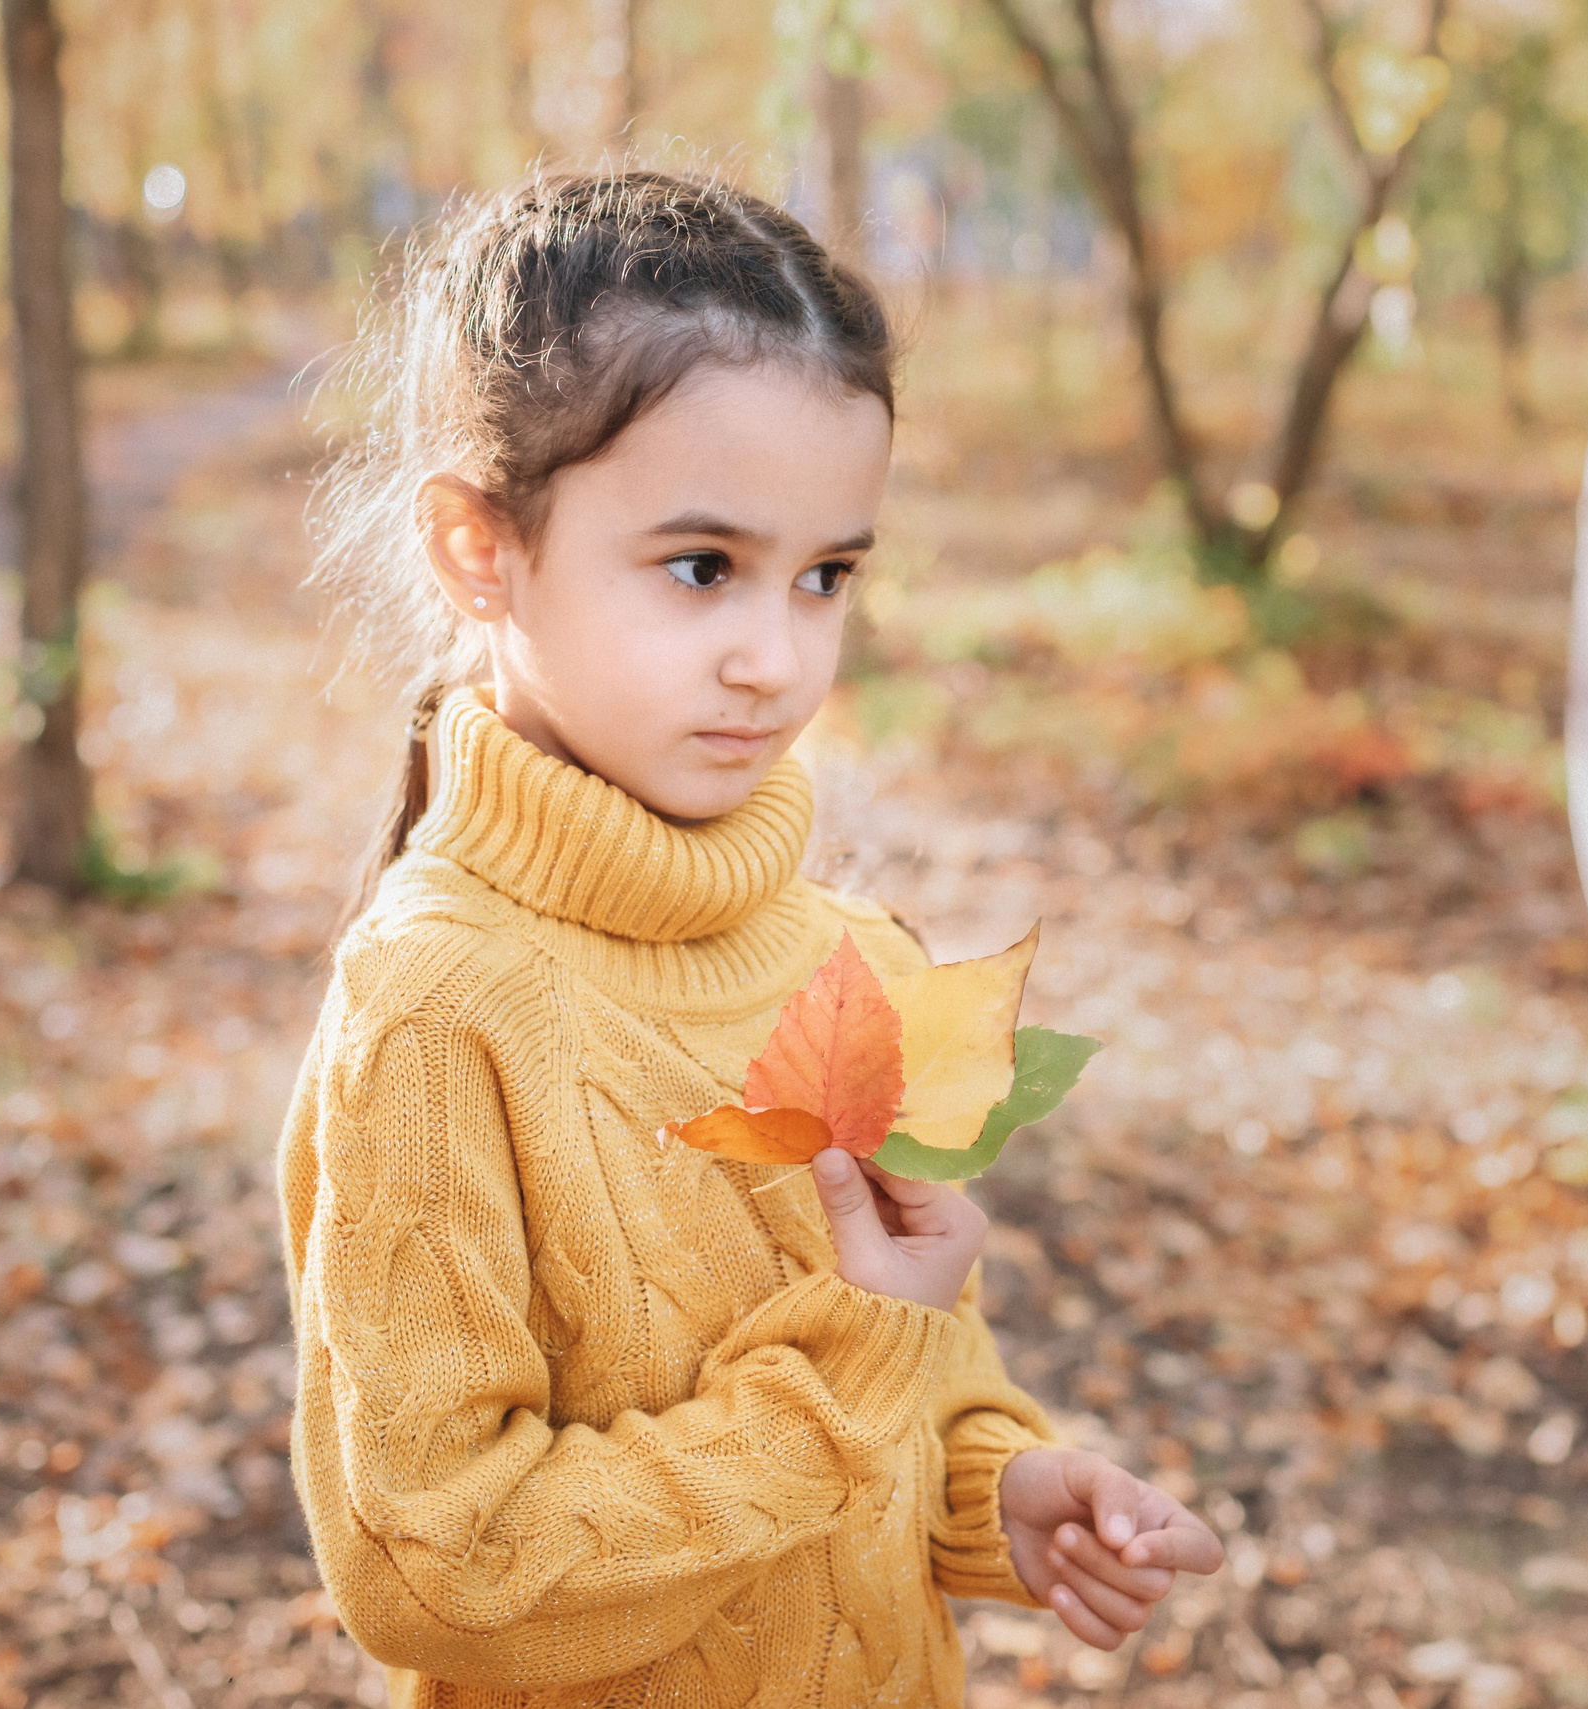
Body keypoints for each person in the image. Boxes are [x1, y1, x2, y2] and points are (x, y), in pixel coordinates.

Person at [277, 168, 1222, 1709]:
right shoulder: (440, 1007)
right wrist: (837, 1390)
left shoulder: (857, 959)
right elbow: (436, 1563)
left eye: (828, 574)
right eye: (702, 566)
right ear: (479, 549)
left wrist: (1000, 1487)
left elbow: (910, 1373)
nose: (775, 657)